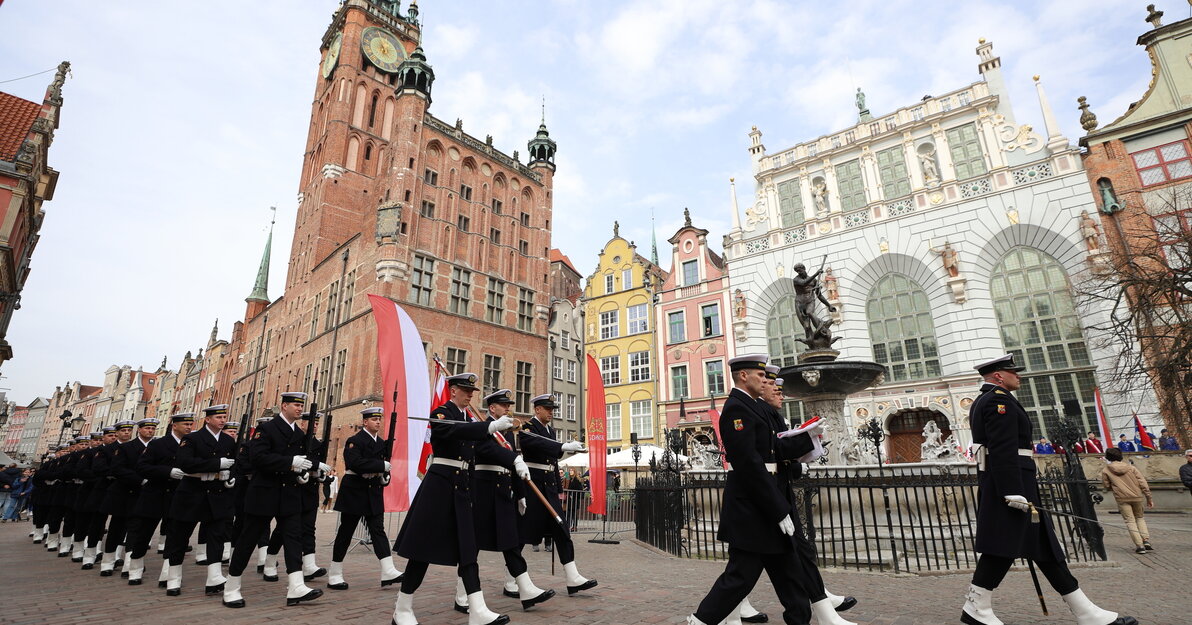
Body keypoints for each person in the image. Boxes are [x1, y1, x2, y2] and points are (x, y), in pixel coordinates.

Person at [960, 353, 1136, 625]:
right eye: (1013, 372)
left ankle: (1085, 611)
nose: (1018, 376)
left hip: (1016, 482)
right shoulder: (997, 400)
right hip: (1010, 484)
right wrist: (1010, 489)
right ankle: (976, 607)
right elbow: (1002, 447)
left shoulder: (993, 399)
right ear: (998, 376)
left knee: (1043, 548)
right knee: (1002, 546)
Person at [687, 354, 815, 625]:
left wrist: (808, 439)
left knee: (792, 580)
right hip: (753, 511)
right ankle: (699, 622)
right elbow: (748, 464)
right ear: (743, 376)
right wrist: (780, 509)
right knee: (738, 579)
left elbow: (774, 449)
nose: (764, 380)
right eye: (759, 376)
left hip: (766, 506)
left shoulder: (752, 407)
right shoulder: (736, 408)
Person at [389, 372, 518, 625]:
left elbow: (485, 447)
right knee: (422, 550)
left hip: (462, 488)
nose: (470, 394)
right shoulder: (442, 413)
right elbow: (452, 432)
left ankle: (477, 609)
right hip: (439, 486)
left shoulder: (468, 418)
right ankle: (402, 608)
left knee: (468, 549)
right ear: (453, 391)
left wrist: (514, 459)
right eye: (464, 390)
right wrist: (489, 426)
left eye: (472, 391)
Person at [755, 366, 856, 625]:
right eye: (770, 383)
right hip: (770, 498)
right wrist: (805, 441)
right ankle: (818, 606)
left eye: (778, 385)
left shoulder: (771, 413)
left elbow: (777, 453)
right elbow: (769, 454)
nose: (778, 390)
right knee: (748, 568)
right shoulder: (758, 412)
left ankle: (821, 604)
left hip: (780, 493)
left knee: (794, 554)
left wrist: (802, 452)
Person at [222, 392, 323, 609]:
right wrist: (290, 462)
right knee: (248, 540)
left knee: (293, 539)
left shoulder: (298, 433)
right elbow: (257, 459)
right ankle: (231, 586)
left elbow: (302, 460)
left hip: (289, 493)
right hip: (264, 493)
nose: (299, 409)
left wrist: (307, 469)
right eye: (295, 405)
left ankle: (296, 586)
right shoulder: (266, 429)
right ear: (284, 406)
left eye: (301, 405)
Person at [458, 389, 551, 614]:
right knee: (474, 546)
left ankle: (526, 589)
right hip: (483, 488)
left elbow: (512, 463)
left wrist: (520, 494)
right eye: (504, 405)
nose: (509, 408)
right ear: (492, 408)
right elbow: (485, 449)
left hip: (503, 491)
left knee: (511, 541)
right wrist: (513, 458)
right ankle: (461, 595)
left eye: (509, 405)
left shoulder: (507, 431)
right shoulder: (482, 425)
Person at [512, 394, 594, 594]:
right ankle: (511, 578)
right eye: (547, 409)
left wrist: (558, 489)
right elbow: (536, 445)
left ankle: (572, 576)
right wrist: (563, 446)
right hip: (534, 486)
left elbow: (553, 460)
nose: (551, 413)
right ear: (537, 409)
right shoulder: (527, 428)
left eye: (552, 409)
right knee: (523, 534)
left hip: (548, 487)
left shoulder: (550, 430)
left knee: (562, 529)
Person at [163, 404, 238, 597]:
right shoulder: (192, 438)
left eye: (224, 417)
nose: (222, 420)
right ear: (208, 419)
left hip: (217, 493)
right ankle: (173, 577)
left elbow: (236, 464)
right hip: (192, 492)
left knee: (216, 536)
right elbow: (184, 463)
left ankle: (214, 577)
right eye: (218, 417)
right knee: (180, 536)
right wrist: (216, 464)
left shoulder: (228, 442)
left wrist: (231, 477)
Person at [326, 407, 402, 591]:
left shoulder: (382, 443)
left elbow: (385, 466)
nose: (378, 422)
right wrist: (379, 465)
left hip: (373, 491)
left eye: (379, 419)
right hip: (355, 491)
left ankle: (388, 570)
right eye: (374, 419)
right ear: (365, 422)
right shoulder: (355, 441)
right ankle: (335, 573)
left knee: (378, 531)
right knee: (346, 532)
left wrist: (384, 476)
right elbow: (355, 463)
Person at [126, 413, 190, 587]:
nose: (189, 427)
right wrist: (167, 472)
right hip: (155, 495)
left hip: (177, 496)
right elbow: (142, 466)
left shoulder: (191, 444)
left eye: (190, 424)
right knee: (143, 534)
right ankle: (135, 568)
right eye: (185, 424)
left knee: (175, 536)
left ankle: (168, 573)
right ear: (174, 426)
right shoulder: (158, 444)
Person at [98, 419, 153, 576]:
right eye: (147, 428)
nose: (150, 431)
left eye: (152, 429)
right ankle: (108, 562)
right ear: (139, 430)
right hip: (123, 494)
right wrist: (140, 480)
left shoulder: (155, 447)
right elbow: (117, 469)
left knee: (136, 530)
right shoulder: (126, 447)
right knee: (116, 529)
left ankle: (130, 564)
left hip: (142, 495)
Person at [1099, 448, 1154, 555]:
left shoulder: (1106, 470)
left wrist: (1116, 487)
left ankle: (1140, 545)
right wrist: (1149, 498)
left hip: (1122, 498)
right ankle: (1145, 539)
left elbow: (1106, 485)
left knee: (1130, 521)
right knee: (1139, 517)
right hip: (1137, 496)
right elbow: (1143, 483)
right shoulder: (1131, 468)